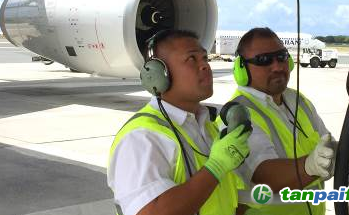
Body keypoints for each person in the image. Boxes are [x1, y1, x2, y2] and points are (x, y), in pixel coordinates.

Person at [230, 27, 349, 215]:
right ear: (242, 68)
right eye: (264, 60)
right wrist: (310, 166)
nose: (277, 66)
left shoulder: (298, 101)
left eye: (282, 56)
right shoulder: (237, 113)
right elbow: (264, 176)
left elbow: (327, 149)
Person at [108, 29, 252, 215]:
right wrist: (216, 167)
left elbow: (221, 195)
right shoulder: (142, 138)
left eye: (204, 59)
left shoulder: (207, 127)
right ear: (158, 75)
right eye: (192, 59)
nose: (205, 66)